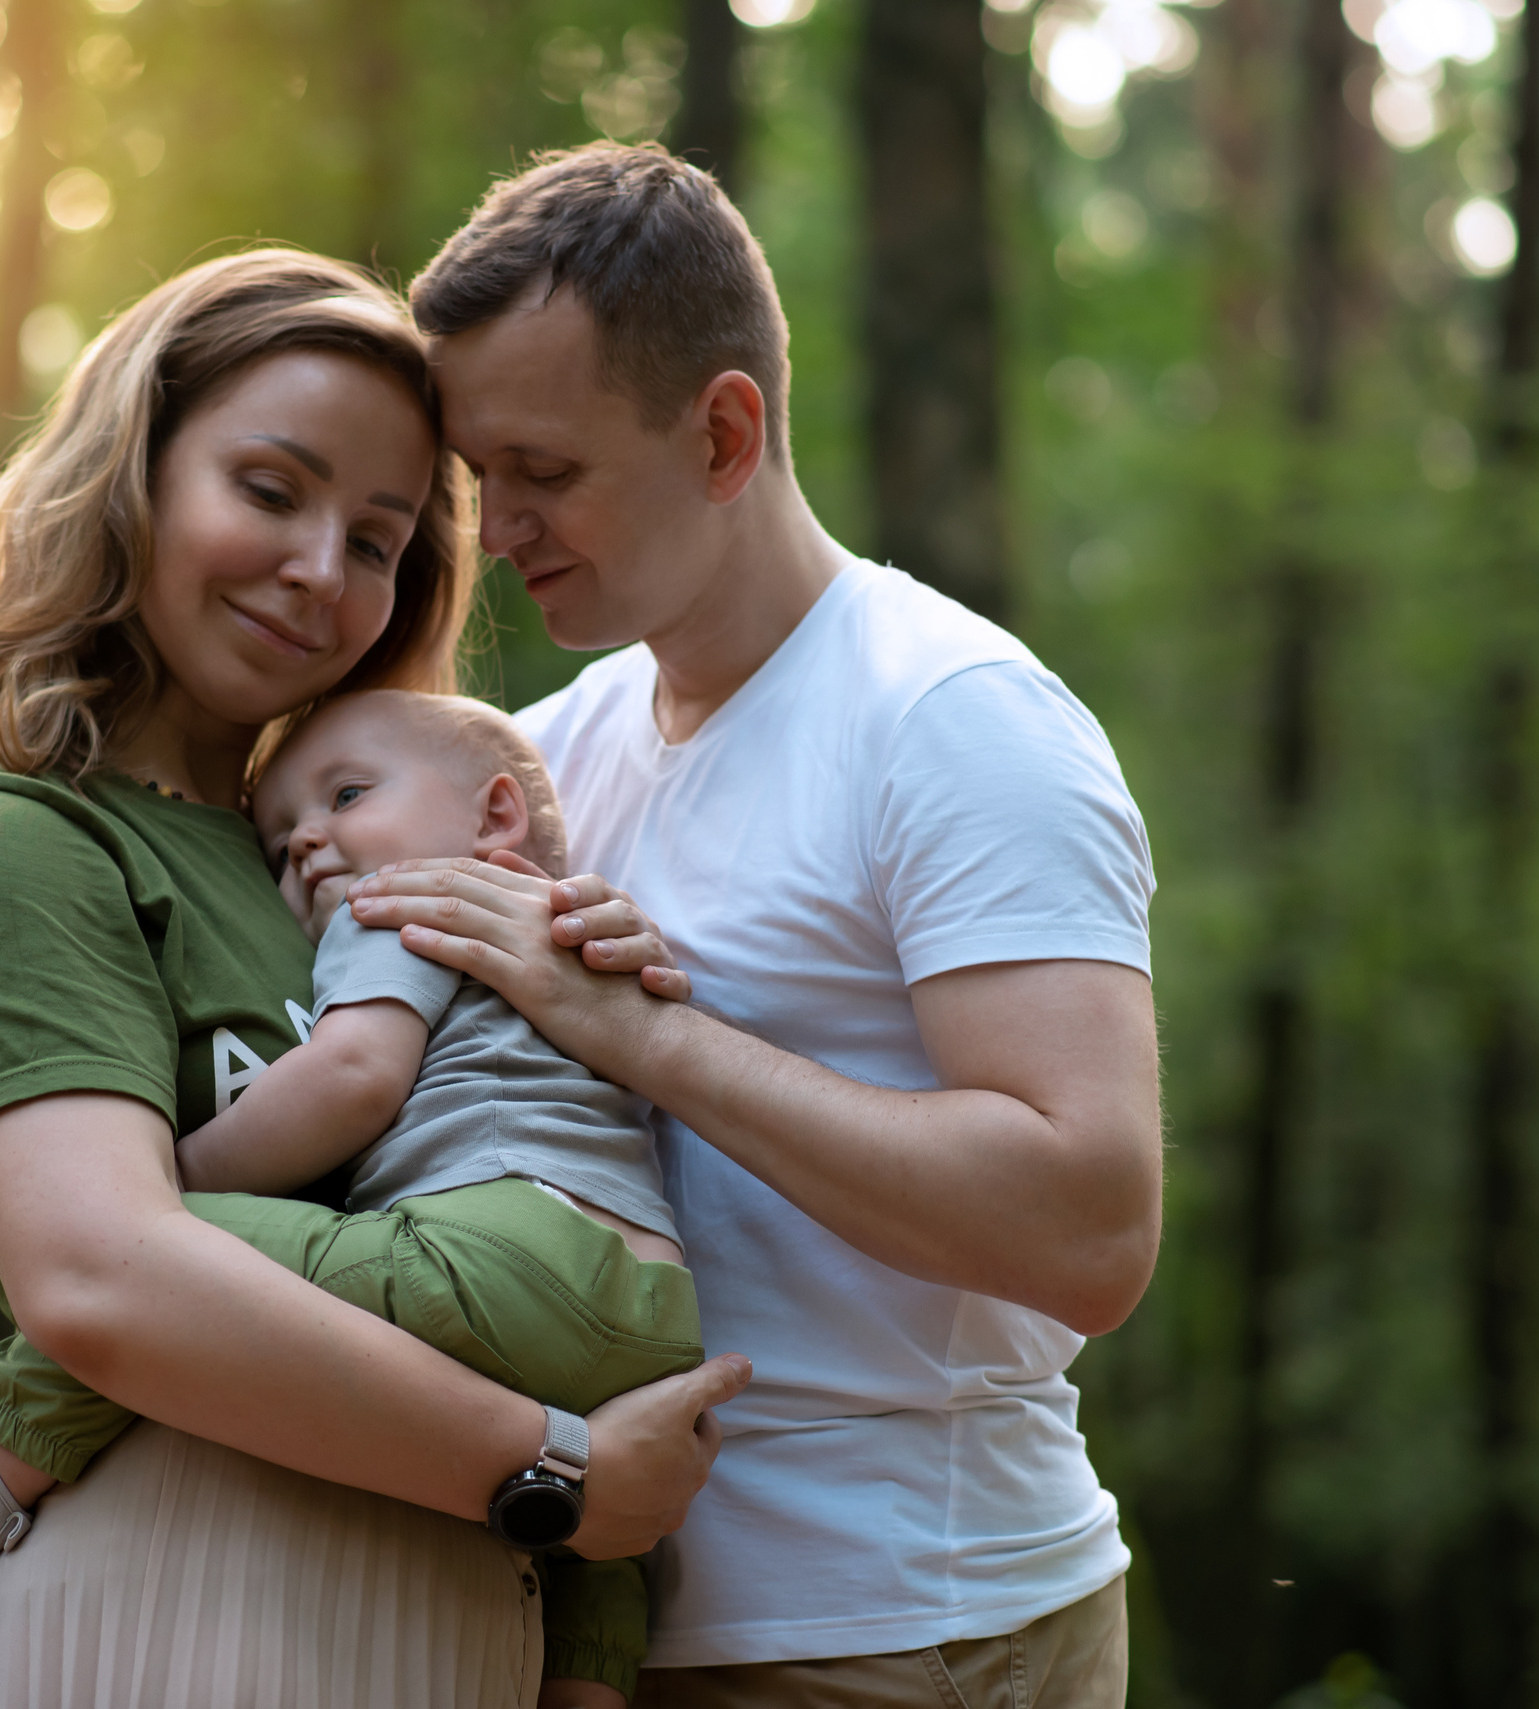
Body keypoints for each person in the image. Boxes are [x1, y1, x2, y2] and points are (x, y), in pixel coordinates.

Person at [0, 247, 750, 1709]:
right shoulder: (16, 837)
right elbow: (102, 1275)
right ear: (135, 472)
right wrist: (550, 1470)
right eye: (269, 490)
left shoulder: (331, 861)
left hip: (444, 1634)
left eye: (375, 539)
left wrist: (602, 980)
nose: (319, 570)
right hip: (173, 1623)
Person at [344, 145, 1162, 1707]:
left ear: (724, 432)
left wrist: (651, 1038)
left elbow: (1094, 1228)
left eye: (547, 470)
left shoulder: (954, 720)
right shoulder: (550, 753)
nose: (496, 525)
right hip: (600, 1622)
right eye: (476, 476)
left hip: (905, 1631)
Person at [0, 687, 704, 1700]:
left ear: (494, 815)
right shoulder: (582, 923)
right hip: (653, 1310)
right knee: (605, 1560)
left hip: (505, 1250)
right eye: (277, 842)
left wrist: (170, 1181)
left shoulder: (403, 900)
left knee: (143, 1249)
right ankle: (586, 1684)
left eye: (347, 793)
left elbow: (353, 1075)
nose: (311, 841)